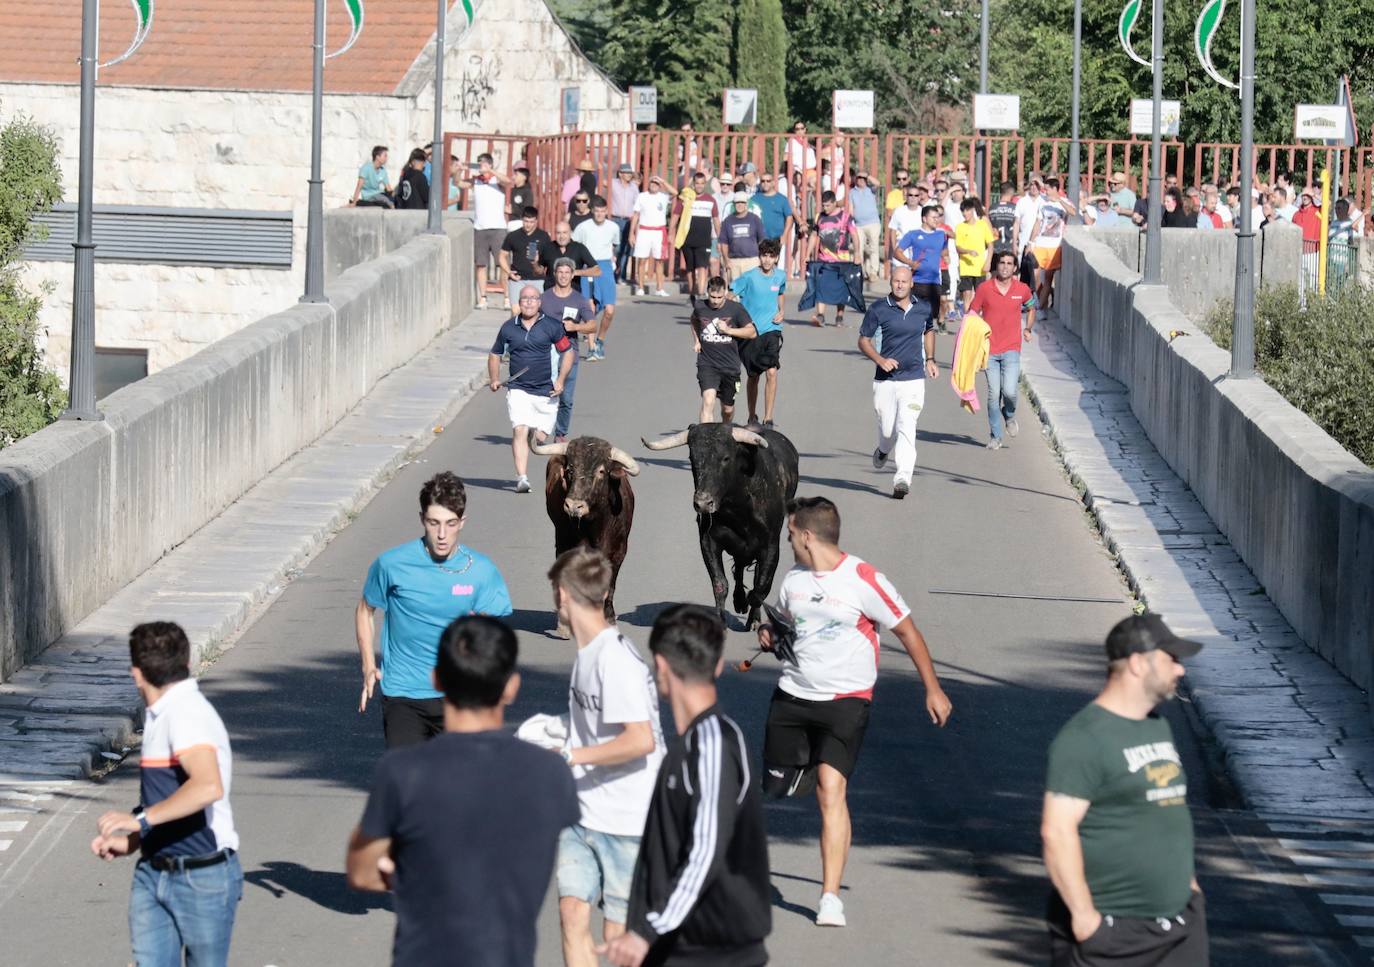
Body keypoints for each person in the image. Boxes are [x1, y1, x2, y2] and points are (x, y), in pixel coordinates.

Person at [758, 497, 952, 925]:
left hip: (847, 702)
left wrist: (933, 689)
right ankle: (807, 773)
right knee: (776, 789)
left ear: (807, 536)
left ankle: (830, 897)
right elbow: (784, 621)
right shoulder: (793, 579)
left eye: (791, 534)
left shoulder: (864, 579)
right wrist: (768, 632)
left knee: (832, 791)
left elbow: (908, 631)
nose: (788, 541)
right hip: (792, 696)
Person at [348, 615, 579, 967]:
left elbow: (362, 871)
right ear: (512, 687)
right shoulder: (549, 773)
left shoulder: (402, 771)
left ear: (437, 679)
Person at [598, 605, 771, 967]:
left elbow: (706, 849)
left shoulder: (711, 745)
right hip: (684, 945)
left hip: (708, 951)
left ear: (660, 666)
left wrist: (646, 931)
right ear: (719, 665)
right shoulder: (703, 740)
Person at [1041, 614, 1207, 966]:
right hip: (1115, 933)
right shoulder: (1084, 738)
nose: (1180, 670)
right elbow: (1057, 832)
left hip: (1181, 924)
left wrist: (1191, 889)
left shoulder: (1157, 726)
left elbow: (1166, 814)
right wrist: (1087, 921)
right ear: (1136, 663)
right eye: (1171, 659)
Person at [91, 622, 242, 967]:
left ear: (136, 674)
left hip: (202, 875)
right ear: (186, 665)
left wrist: (139, 819)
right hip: (153, 872)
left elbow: (207, 786)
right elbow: (168, 795)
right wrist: (131, 839)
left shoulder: (186, 712)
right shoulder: (163, 714)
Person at [549, 548, 666, 967]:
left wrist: (571, 754)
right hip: (582, 812)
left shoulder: (615, 660)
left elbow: (641, 740)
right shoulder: (588, 653)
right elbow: (597, 721)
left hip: (627, 821)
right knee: (571, 912)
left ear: (563, 596)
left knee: (617, 939)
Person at [356, 471, 513, 745]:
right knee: (409, 782)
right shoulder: (392, 564)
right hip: (404, 695)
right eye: (434, 523)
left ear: (462, 522)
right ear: (422, 520)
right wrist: (369, 666)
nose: (442, 534)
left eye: (451, 524)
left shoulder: (482, 571)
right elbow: (365, 610)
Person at [856, 266, 938, 499]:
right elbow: (863, 341)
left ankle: (903, 477)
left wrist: (930, 359)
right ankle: (883, 450)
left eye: (904, 281)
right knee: (888, 429)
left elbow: (929, 331)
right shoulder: (879, 309)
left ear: (911, 283)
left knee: (906, 425)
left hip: (913, 379)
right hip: (885, 381)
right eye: (896, 281)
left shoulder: (923, 308)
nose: (900, 285)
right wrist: (880, 360)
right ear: (890, 283)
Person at [489, 285, 576, 493]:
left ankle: (532, 440)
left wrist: (561, 380)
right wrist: (494, 378)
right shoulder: (508, 328)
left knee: (539, 439)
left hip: (546, 391)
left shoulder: (552, 326)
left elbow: (569, 352)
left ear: (539, 302)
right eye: (524, 299)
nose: (528, 302)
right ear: (519, 303)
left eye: (533, 298)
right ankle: (522, 478)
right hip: (518, 389)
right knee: (520, 429)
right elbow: (495, 354)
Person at [969, 251, 1037, 450]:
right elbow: (972, 313)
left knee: (1009, 392)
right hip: (989, 350)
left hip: (1011, 348)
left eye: (1009, 263)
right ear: (996, 266)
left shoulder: (1022, 289)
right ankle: (996, 436)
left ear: (1015, 268)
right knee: (993, 394)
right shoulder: (984, 288)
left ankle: (1008, 415)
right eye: (1002, 263)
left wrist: (1028, 328)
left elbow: (1032, 307)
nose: (1005, 266)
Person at [731, 238, 786, 428]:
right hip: (750, 332)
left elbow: (780, 293)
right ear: (759, 257)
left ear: (777, 258)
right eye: (764, 256)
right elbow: (730, 294)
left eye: (771, 256)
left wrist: (782, 311)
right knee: (754, 376)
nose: (767, 260)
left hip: (772, 329)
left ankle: (768, 418)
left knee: (772, 372)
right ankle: (752, 415)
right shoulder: (749, 277)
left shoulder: (780, 276)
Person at [542, 259, 598, 442]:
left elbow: (592, 326)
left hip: (569, 354)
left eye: (567, 272)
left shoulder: (579, 300)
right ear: (555, 274)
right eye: (560, 272)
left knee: (566, 399)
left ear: (572, 275)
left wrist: (575, 327)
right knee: (544, 395)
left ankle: (560, 434)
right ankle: (541, 430)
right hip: (545, 355)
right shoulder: (544, 298)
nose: (564, 276)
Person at [691, 275, 756, 424]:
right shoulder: (700, 306)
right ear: (707, 291)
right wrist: (696, 340)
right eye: (712, 296)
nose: (715, 301)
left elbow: (752, 332)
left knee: (727, 410)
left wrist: (729, 330)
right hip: (707, 363)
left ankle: (725, 429)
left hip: (730, 367)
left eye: (719, 297)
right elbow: (694, 320)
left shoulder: (736, 309)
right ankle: (708, 442)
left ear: (725, 292)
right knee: (708, 401)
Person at [458, 152, 509, 310]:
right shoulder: (476, 181)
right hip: (480, 228)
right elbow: (458, 183)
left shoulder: (496, 180)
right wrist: (459, 170)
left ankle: (507, 297)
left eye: (483, 163)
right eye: (479, 163)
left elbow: (508, 182)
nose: (481, 166)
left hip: (498, 227)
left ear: (490, 164)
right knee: (481, 264)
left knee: (502, 264)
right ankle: (483, 297)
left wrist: (490, 171)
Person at [573, 198, 622, 361]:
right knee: (590, 309)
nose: (600, 214)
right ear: (592, 210)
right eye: (597, 211)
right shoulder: (583, 227)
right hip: (589, 266)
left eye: (603, 211)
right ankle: (592, 348)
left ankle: (600, 339)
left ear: (606, 211)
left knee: (609, 310)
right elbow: (576, 246)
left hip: (605, 267)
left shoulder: (613, 227)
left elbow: (615, 246)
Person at [894, 204, 950, 327]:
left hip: (934, 282)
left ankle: (925, 343)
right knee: (914, 317)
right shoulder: (913, 235)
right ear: (924, 218)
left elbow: (945, 251)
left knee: (930, 318)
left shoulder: (941, 235)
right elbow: (897, 252)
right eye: (933, 217)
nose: (937, 220)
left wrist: (946, 257)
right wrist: (910, 263)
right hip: (917, 281)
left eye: (938, 217)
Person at [670, 172, 721, 303]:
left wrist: (720, 239)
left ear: (705, 184)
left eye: (702, 183)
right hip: (687, 238)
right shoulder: (686, 198)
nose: (699, 186)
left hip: (704, 240)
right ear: (693, 184)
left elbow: (716, 220)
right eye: (697, 183)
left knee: (702, 266)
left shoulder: (711, 200)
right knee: (690, 268)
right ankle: (692, 293)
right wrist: (671, 232)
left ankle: (701, 294)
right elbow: (675, 215)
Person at [809, 191, 857, 327]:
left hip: (841, 259)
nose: (825, 208)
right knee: (821, 286)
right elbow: (814, 235)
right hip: (823, 258)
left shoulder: (846, 217)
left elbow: (854, 235)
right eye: (823, 205)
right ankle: (820, 316)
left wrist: (857, 253)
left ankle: (839, 316)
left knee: (840, 288)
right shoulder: (819, 217)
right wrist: (807, 254)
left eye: (828, 205)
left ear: (835, 203)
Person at [1030, 177, 1076, 311]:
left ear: (1055, 189)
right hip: (1040, 243)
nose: (1046, 192)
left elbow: (1073, 212)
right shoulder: (1043, 202)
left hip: (1055, 245)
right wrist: (1031, 242)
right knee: (1035, 275)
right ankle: (1037, 301)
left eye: (1048, 189)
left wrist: (1059, 200)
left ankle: (1041, 308)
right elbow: (1038, 223)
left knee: (1049, 278)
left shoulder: (1064, 201)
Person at [500, 206, 552, 309]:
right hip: (517, 279)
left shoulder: (544, 236)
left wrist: (541, 265)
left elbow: (549, 257)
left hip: (538, 279)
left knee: (538, 311)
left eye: (531, 222)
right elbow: (502, 255)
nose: (528, 224)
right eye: (526, 221)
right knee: (516, 311)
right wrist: (509, 272)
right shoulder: (513, 236)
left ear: (536, 221)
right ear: (522, 219)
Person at [630, 174, 673, 297]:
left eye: (657, 183)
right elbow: (636, 215)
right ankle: (641, 287)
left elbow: (675, 193)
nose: (654, 185)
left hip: (659, 232)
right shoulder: (642, 196)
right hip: (644, 230)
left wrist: (663, 181)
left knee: (659, 261)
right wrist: (631, 233)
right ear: (648, 184)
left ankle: (660, 288)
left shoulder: (663, 197)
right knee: (642, 260)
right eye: (652, 182)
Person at [954, 197, 996, 312]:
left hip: (980, 268)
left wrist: (988, 262)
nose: (965, 213)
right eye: (963, 211)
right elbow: (958, 247)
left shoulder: (982, 225)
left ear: (973, 210)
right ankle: (967, 321)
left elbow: (991, 245)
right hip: (965, 268)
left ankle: (978, 320)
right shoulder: (959, 227)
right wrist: (968, 251)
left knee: (980, 295)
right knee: (967, 295)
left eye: (967, 210)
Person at [538, 220, 600, 289]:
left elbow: (597, 271)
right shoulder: (548, 247)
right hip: (551, 293)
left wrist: (575, 272)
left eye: (565, 232)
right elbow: (539, 271)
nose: (561, 236)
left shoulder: (579, 248)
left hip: (572, 294)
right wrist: (534, 263)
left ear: (570, 233)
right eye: (558, 233)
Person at [719, 191, 766, 281]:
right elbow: (724, 243)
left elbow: (761, 240)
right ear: (733, 204)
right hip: (734, 261)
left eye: (742, 202)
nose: (739, 205)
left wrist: (761, 257)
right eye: (737, 203)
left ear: (746, 204)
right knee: (735, 290)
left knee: (751, 288)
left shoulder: (755, 219)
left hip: (752, 260)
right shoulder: (728, 221)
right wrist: (726, 259)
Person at [848, 171, 883, 283]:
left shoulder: (870, 189)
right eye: (859, 178)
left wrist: (867, 175)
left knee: (874, 248)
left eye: (863, 178)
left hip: (873, 223)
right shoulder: (852, 192)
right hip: (858, 224)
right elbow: (850, 207)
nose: (861, 180)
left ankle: (873, 272)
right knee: (858, 249)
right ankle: (860, 272)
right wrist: (851, 221)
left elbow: (878, 183)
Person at [609, 164, 641, 282]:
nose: (629, 175)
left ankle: (621, 276)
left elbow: (637, 204)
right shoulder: (613, 183)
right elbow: (601, 181)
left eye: (630, 173)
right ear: (620, 173)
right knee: (616, 248)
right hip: (615, 219)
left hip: (629, 220)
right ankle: (613, 273)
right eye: (626, 173)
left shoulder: (634, 187)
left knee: (626, 249)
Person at [988, 181, 1018, 252]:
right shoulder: (1015, 208)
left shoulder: (992, 208)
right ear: (1012, 193)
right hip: (1010, 247)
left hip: (995, 247)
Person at [507, 164, 536, 230]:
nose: (513, 177)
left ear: (524, 177)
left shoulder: (527, 191)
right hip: (510, 222)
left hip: (520, 222)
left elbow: (527, 209)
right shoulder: (512, 190)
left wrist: (513, 211)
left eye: (516, 175)